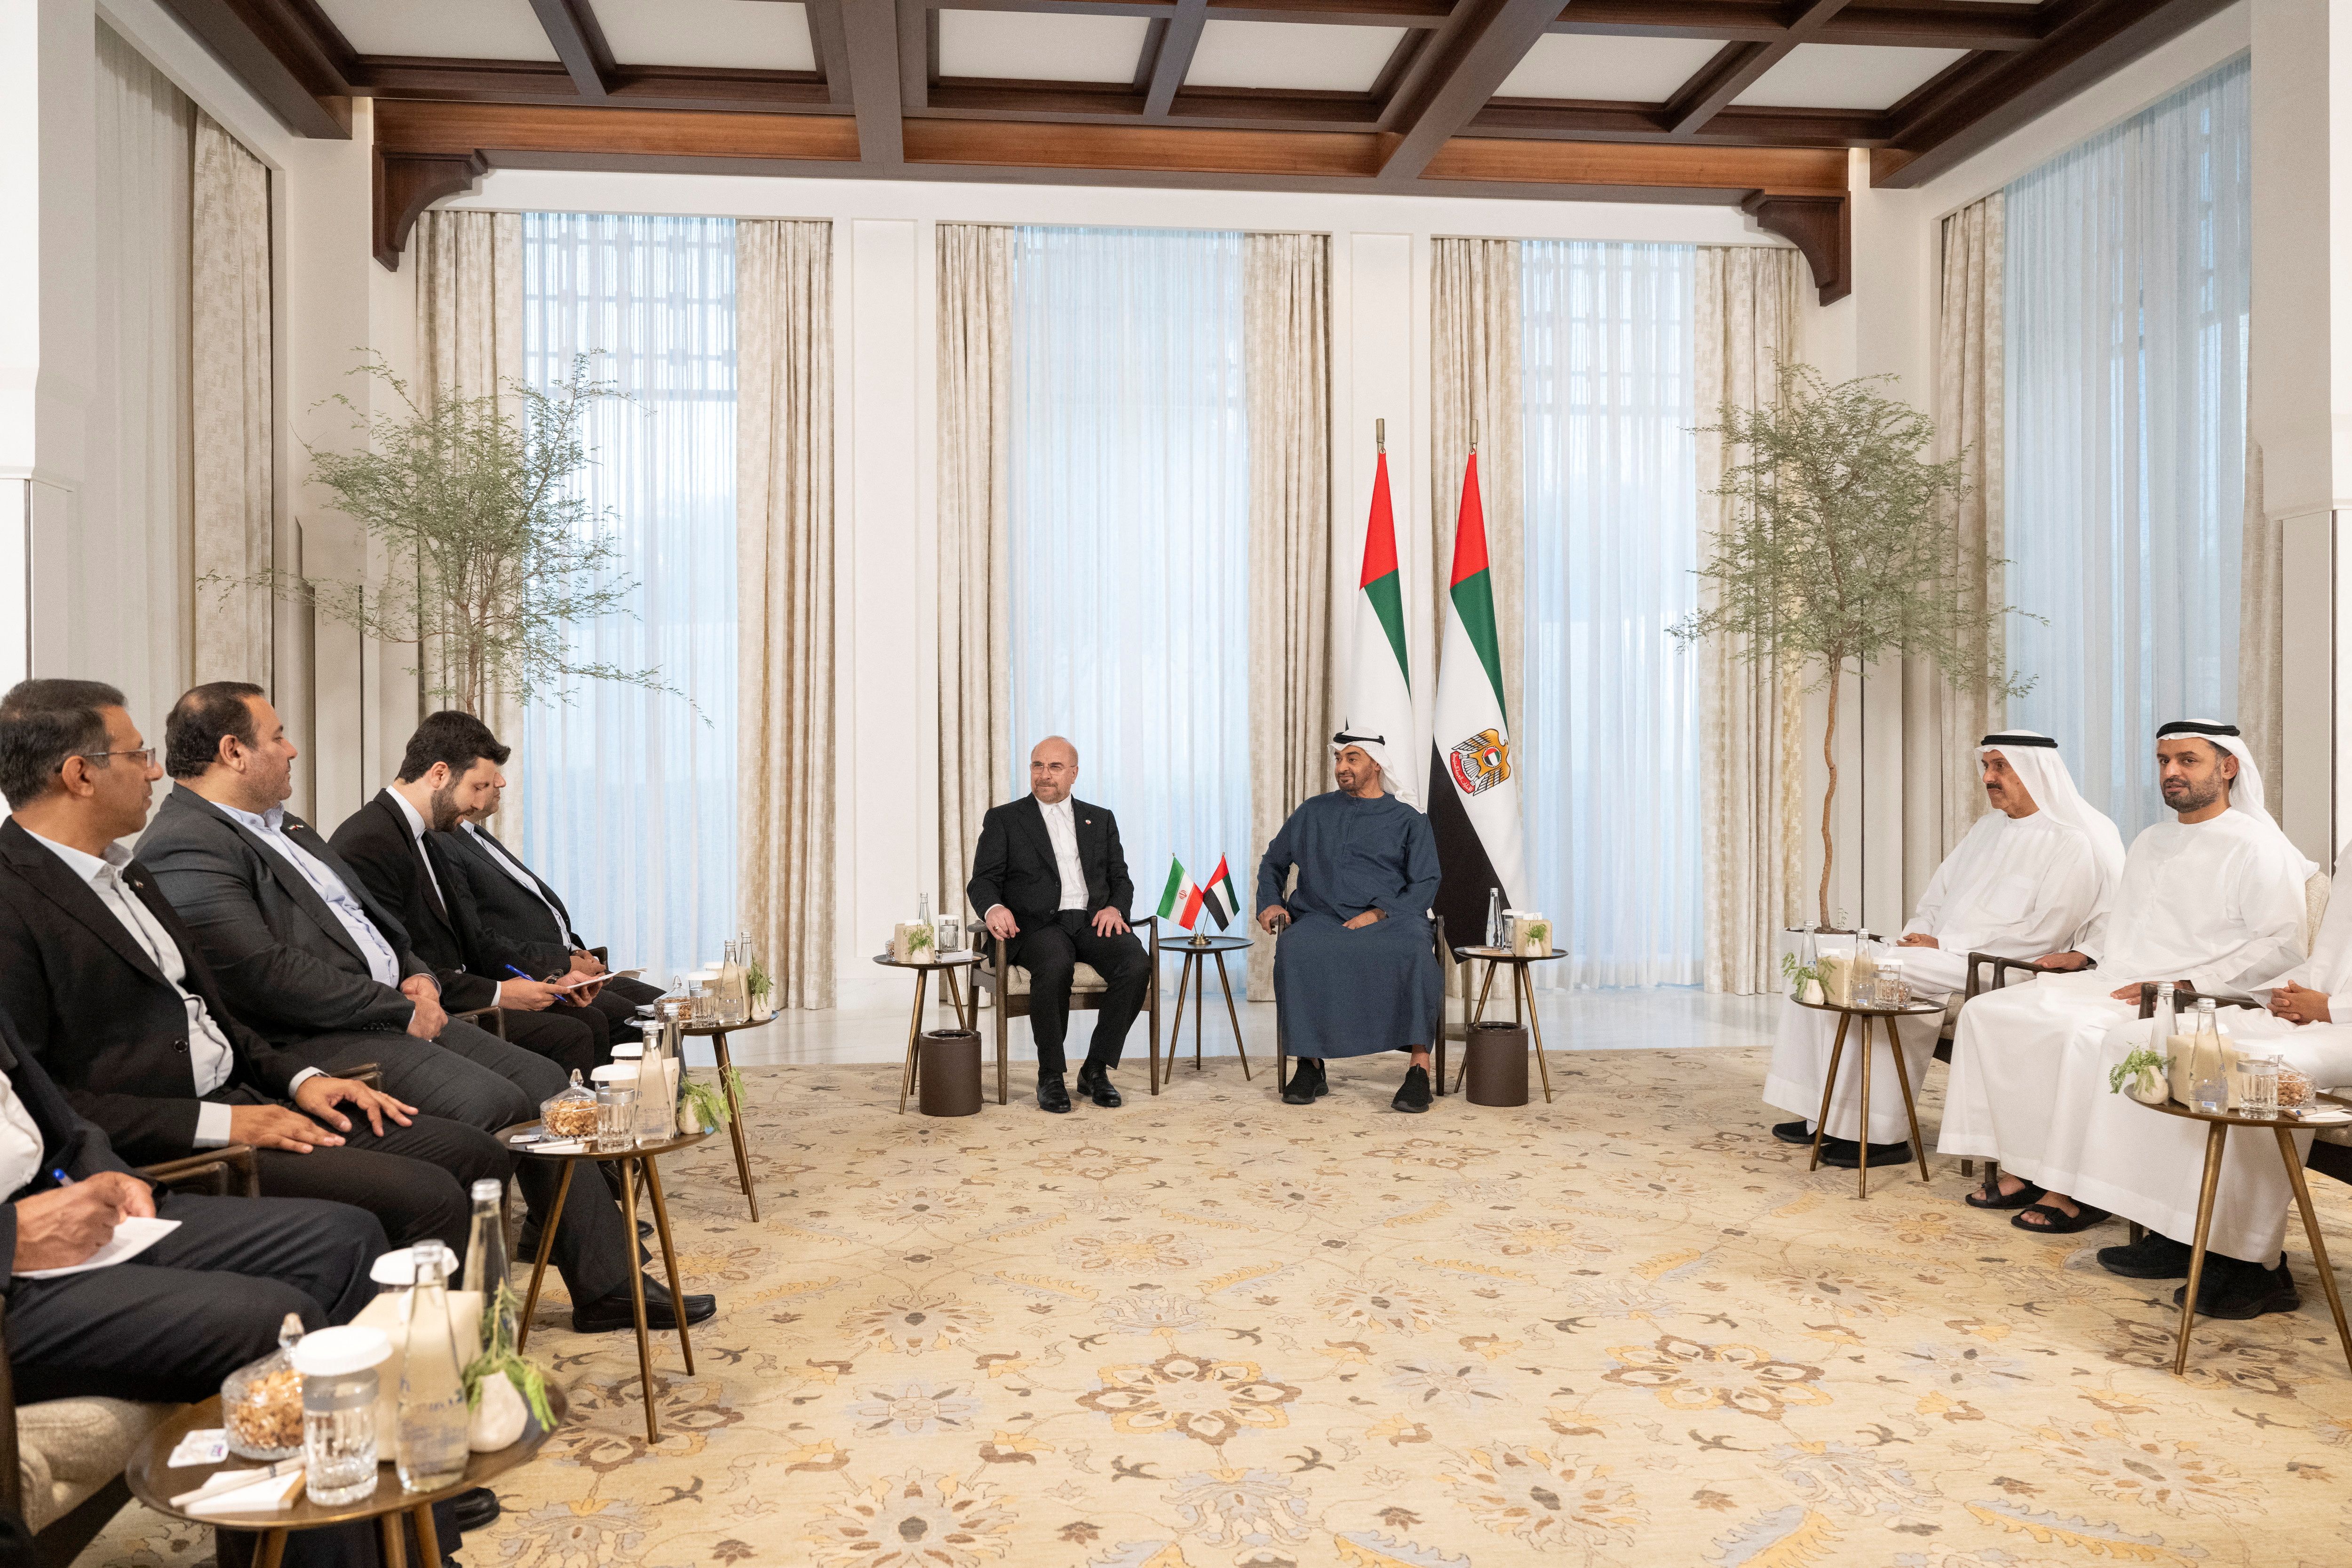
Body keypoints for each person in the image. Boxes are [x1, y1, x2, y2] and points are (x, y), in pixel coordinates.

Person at [136, 681, 713, 1335]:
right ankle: (472, 1328)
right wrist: (393, 1002)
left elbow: (378, 923)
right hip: (322, 1038)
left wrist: (417, 978)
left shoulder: (288, 826)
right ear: (233, 751)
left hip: (395, 1010)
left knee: (551, 1088)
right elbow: (261, 975)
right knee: (501, 1108)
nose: (292, 749)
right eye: (276, 737)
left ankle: (607, 1284)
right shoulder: (188, 843)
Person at [0, 679, 509, 1260]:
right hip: (174, 1138)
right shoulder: (14, 901)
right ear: (79, 775)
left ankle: (474, 1344)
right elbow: (46, 1098)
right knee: (425, 1195)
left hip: (251, 1092)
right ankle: (429, 1345)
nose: (156, 772)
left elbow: (214, 1015)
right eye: (138, 755)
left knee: (474, 1154)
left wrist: (300, 1080)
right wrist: (223, 1125)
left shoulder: (128, 874)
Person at [1938, 721, 2312, 1236]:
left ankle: (2071, 1191)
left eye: (2187, 760)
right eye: (2163, 762)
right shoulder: (2151, 839)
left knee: (2079, 1037)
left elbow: (2280, 945)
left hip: (2195, 997)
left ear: (2227, 768)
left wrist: (2184, 983)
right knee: (1991, 1012)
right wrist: (2083, 953)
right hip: (2117, 980)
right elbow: (2120, 920)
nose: (2171, 772)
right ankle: (2020, 1165)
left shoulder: (2257, 846)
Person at [1764, 732, 2120, 1167]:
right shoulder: (1986, 828)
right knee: (1820, 961)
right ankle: (1823, 1112)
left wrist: (1945, 944)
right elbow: (1934, 899)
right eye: (1986, 766)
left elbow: (2042, 935)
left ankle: (1882, 1136)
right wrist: (1916, 935)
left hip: (1998, 967)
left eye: (2000, 767)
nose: (1989, 777)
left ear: (2034, 771)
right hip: (1937, 957)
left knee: (1861, 971)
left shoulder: (2070, 842)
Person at [0, 1002, 382, 1406]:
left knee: (346, 1240)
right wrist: (15, 1235)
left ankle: (386, 1444)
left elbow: (47, 1107)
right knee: (275, 1319)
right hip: (12, 1265)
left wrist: (103, 1172)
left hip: (58, 1191)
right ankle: (332, 1458)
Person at [2057, 844, 2352, 1319]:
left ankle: (2254, 1265)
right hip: (2314, 1013)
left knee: (2252, 1065)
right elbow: (2333, 957)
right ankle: (2178, 1230)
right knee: (2140, 1040)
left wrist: (2329, 1009)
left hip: (2343, 1024)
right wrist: (2288, 994)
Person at [328, 713, 604, 1078]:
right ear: (439, 775)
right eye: (477, 787)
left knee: (586, 1018)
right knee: (572, 1035)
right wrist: (501, 994)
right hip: (435, 1013)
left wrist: (547, 980)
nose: (479, 804)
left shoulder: (426, 835)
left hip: (463, 993)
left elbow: (475, 943)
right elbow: (402, 970)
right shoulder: (369, 842)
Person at [1257, 731, 1443, 1114]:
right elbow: (1273, 862)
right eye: (1339, 759)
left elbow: (1426, 881)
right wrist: (1272, 903)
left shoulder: (1409, 818)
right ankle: (1309, 1066)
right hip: (1320, 916)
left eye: (1352, 759)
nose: (1342, 767)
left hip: (1391, 917)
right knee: (1296, 947)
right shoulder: (1313, 811)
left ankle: (1418, 1071)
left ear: (1376, 764)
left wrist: (1377, 913)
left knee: (1414, 949)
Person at [966, 737, 1151, 1113]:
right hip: (1035, 926)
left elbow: (1122, 878)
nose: (1044, 775)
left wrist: (1116, 907)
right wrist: (995, 908)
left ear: (1074, 773)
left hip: (1091, 921)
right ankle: (1050, 1074)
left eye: (1054, 767)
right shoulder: (1004, 819)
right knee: (1054, 963)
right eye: (1038, 765)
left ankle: (1096, 1069)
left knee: (1136, 963)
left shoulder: (1100, 819)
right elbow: (982, 881)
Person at [435, 758, 665, 1043]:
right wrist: (564, 964)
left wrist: (578, 952)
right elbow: (483, 939)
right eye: (489, 776)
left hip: (562, 960)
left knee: (662, 1005)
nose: (501, 782)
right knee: (630, 1018)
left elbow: (530, 913)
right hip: (528, 975)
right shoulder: (443, 842)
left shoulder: (475, 833)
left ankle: (676, 1089)